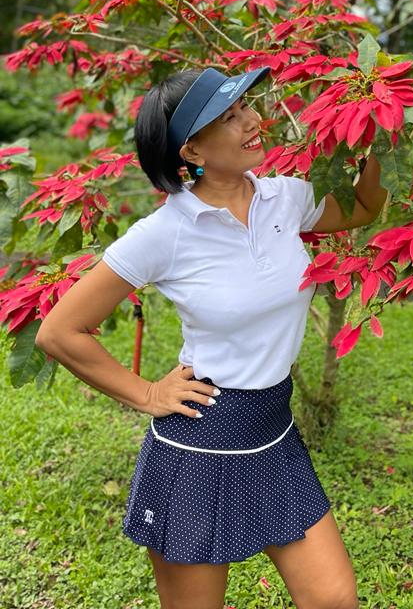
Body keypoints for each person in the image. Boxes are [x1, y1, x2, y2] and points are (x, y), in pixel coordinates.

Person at [36, 66, 388, 609]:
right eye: (231, 117)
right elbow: (60, 331)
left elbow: (364, 209)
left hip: (274, 430)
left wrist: (377, 135)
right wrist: (147, 394)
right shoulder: (164, 233)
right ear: (193, 152)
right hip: (200, 439)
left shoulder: (286, 199)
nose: (255, 120)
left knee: (333, 598)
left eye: (247, 106)